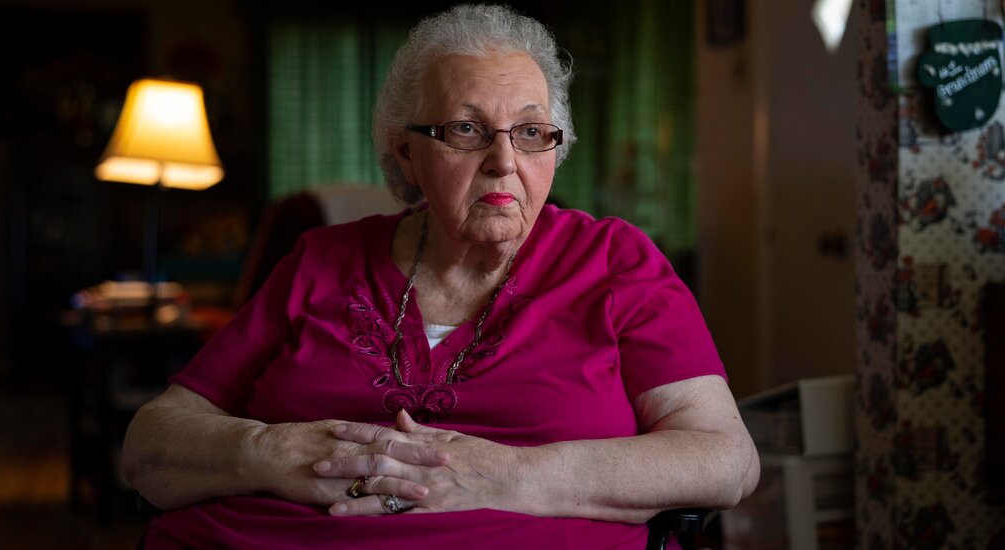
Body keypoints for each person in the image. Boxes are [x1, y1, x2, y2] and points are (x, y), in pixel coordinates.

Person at [122, 4, 759, 548]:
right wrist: (270, 452)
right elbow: (151, 441)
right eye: (466, 130)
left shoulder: (615, 263)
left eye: (531, 132)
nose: (504, 160)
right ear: (406, 151)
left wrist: (511, 476)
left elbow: (725, 458)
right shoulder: (320, 261)